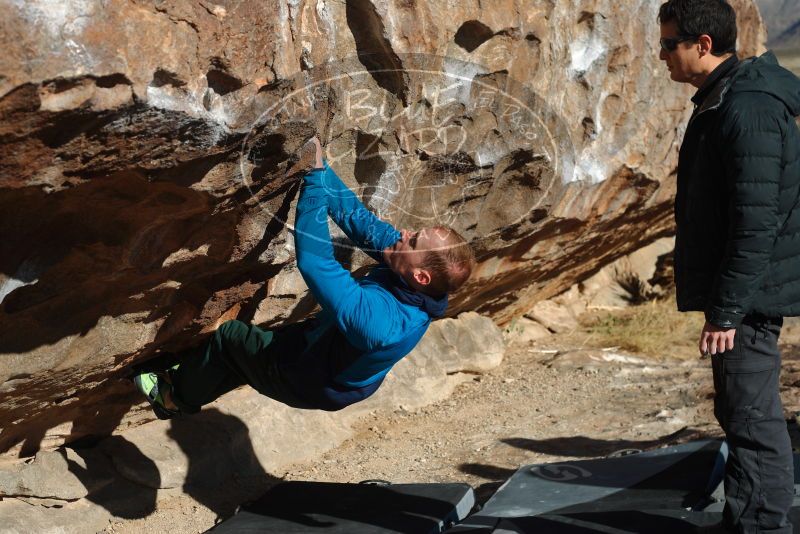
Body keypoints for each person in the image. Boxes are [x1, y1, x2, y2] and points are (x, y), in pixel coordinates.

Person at [134, 137, 475, 417]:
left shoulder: (381, 324)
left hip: (310, 381)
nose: (404, 233)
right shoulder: (410, 272)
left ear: (422, 276)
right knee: (247, 359)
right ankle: (198, 376)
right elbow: (360, 222)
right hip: (321, 349)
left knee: (230, 338)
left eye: (413, 240)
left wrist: (311, 181)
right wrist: (321, 167)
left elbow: (316, 263)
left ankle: (171, 399)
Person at [658, 0, 800, 531]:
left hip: (751, 295)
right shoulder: (725, 98)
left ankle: (762, 524)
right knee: (739, 411)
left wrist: (727, 311)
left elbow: (755, 223)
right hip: (743, 290)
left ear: (703, 45)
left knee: (751, 416)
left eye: (670, 44)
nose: (663, 56)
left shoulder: (748, 109)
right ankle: (746, 518)